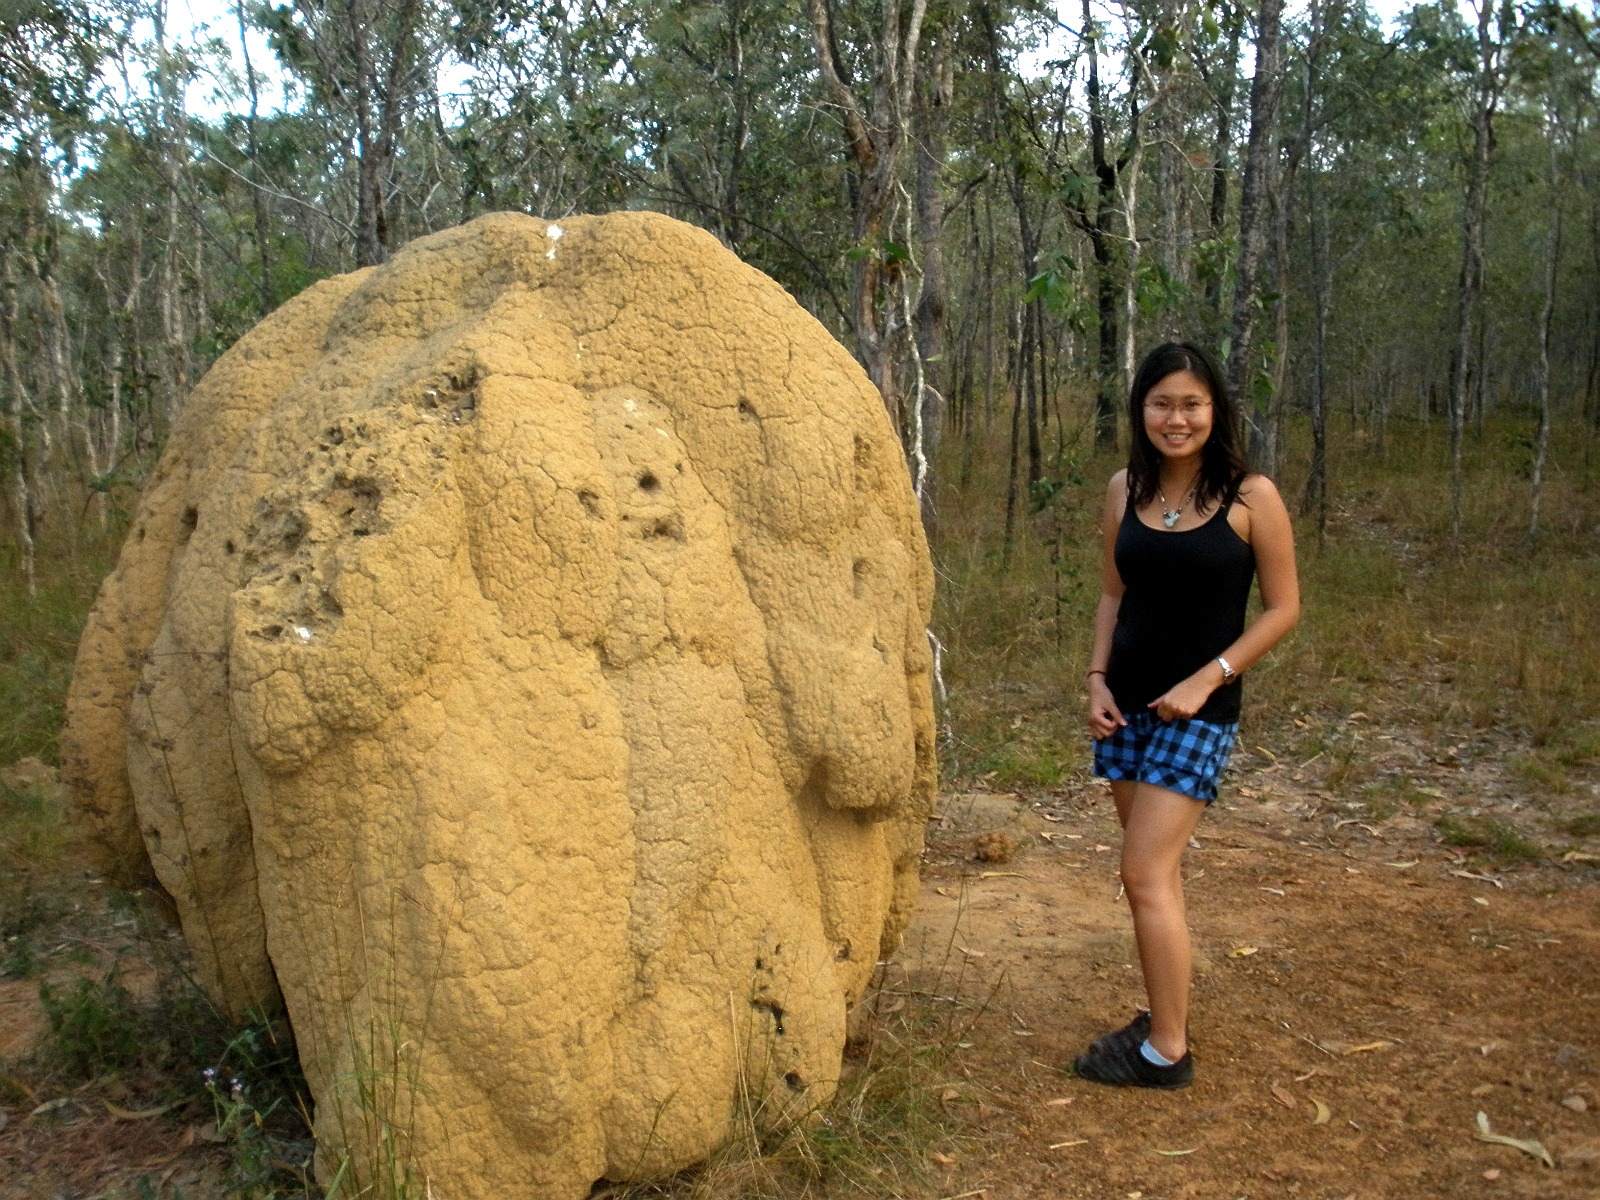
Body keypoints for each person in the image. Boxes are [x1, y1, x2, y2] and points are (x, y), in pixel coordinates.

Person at [1076, 342, 1300, 1089]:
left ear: (1216, 411)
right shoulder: (1123, 489)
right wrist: (1098, 679)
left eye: (1192, 404)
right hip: (1128, 707)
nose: (1178, 418)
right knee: (1157, 880)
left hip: (1197, 713)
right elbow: (1114, 593)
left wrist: (1210, 678)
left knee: (1142, 872)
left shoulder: (1250, 497)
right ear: (1142, 411)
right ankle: (1163, 1017)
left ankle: (1166, 1052)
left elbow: (1284, 608)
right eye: (1163, 403)